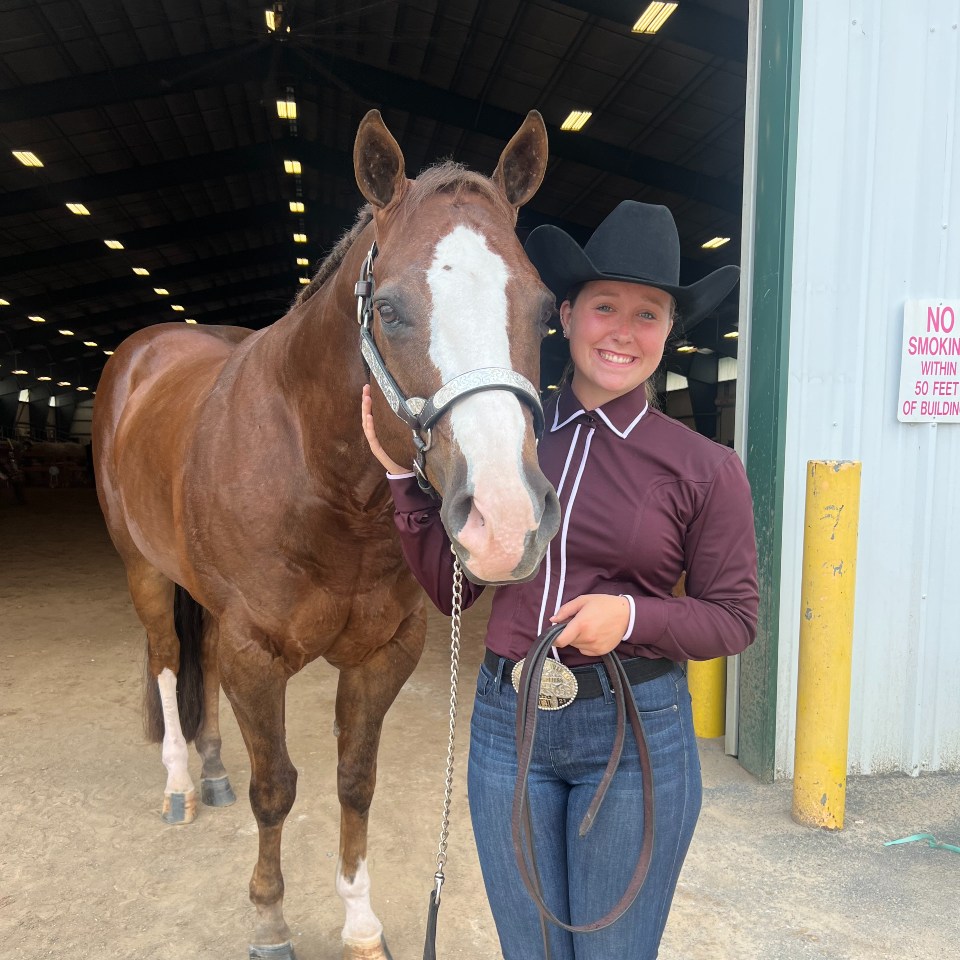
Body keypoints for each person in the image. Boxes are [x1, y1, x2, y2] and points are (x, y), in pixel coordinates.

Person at [361, 200, 759, 960]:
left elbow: (733, 618)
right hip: (509, 730)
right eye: (605, 307)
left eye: (648, 315)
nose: (623, 331)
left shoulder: (703, 467)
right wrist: (403, 486)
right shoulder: (512, 432)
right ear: (567, 315)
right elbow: (459, 585)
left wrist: (632, 617)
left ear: (668, 333)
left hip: (634, 733)